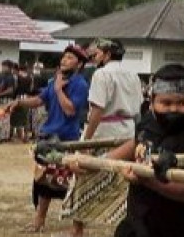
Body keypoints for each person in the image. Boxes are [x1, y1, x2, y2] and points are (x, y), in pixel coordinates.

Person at [102, 63, 184, 236]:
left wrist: (148, 181)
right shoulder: (148, 121)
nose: (174, 109)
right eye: (166, 102)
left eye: (182, 103)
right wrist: (100, 162)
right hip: (139, 222)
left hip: (179, 228)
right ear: (152, 102)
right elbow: (137, 143)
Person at [63, 38, 144, 235]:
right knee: (122, 182)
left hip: (104, 130)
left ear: (107, 54)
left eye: (98, 53)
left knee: (82, 178)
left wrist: (86, 141)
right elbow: (139, 107)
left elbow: (97, 109)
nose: (95, 56)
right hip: (128, 130)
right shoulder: (133, 74)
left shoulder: (102, 74)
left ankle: (77, 229)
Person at [7, 44, 91, 234]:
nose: (64, 60)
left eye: (70, 58)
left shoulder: (80, 84)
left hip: (67, 139)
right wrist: (19, 102)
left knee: (71, 185)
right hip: (48, 137)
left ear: (79, 64)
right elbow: (39, 100)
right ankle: (39, 221)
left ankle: (76, 228)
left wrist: (60, 90)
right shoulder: (55, 80)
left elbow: (70, 110)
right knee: (43, 182)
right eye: (64, 56)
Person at [0, 59, 17, 143]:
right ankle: (1, 137)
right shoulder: (10, 77)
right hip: (5, 100)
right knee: (3, 119)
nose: (3, 67)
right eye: (4, 66)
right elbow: (10, 90)